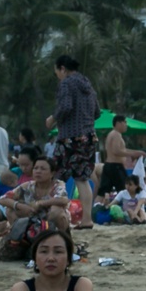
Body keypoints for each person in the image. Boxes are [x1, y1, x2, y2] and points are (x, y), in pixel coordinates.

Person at [47, 55, 100, 226]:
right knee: (82, 179)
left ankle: (54, 215)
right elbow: (97, 112)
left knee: (55, 176)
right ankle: (87, 219)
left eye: (57, 72)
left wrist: (52, 118)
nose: (58, 77)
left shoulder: (66, 83)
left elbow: (66, 106)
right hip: (89, 136)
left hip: (69, 137)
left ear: (62, 68)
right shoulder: (88, 86)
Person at [0, 156, 70, 246]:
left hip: (51, 223)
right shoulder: (27, 186)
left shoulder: (57, 184)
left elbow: (63, 200)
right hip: (32, 220)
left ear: (52, 173)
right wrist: (20, 206)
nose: (38, 171)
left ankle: (59, 242)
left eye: (43, 169)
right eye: (36, 168)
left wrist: (40, 203)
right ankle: (19, 240)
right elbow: (3, 199)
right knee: (11, 209)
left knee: (57, 210)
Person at [100, 114, 134, 200]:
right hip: (115, 166)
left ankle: (94, 209)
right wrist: (134, 154)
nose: (126, 125)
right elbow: (117, 151)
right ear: (118, 123)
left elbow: (121, 150)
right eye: (125, 122)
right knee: (125, 190)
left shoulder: (112, 134)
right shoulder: (116, 134)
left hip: (109, 165)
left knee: (103, 192)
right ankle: (127, 210)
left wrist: (135, 152)